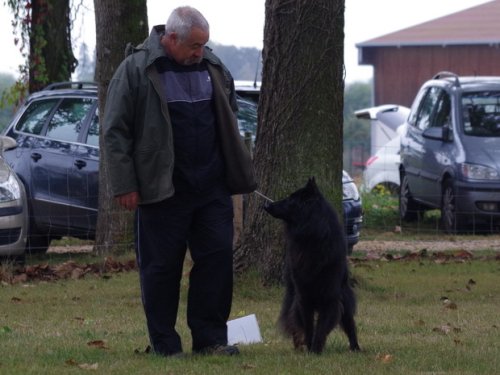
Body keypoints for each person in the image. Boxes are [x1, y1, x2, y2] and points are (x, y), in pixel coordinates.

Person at [103, 6, 256, 357]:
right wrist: (125, 184)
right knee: (161, 270)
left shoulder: (213, 68)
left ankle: (211, 339)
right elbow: (115, 131)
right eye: (193, 45)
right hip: (162, 191)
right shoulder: (136, 70)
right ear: (171, 38)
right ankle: (166, 345)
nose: (199, 52)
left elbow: (229, 116)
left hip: (211, 189)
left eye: (203, 45)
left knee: (217, 262)